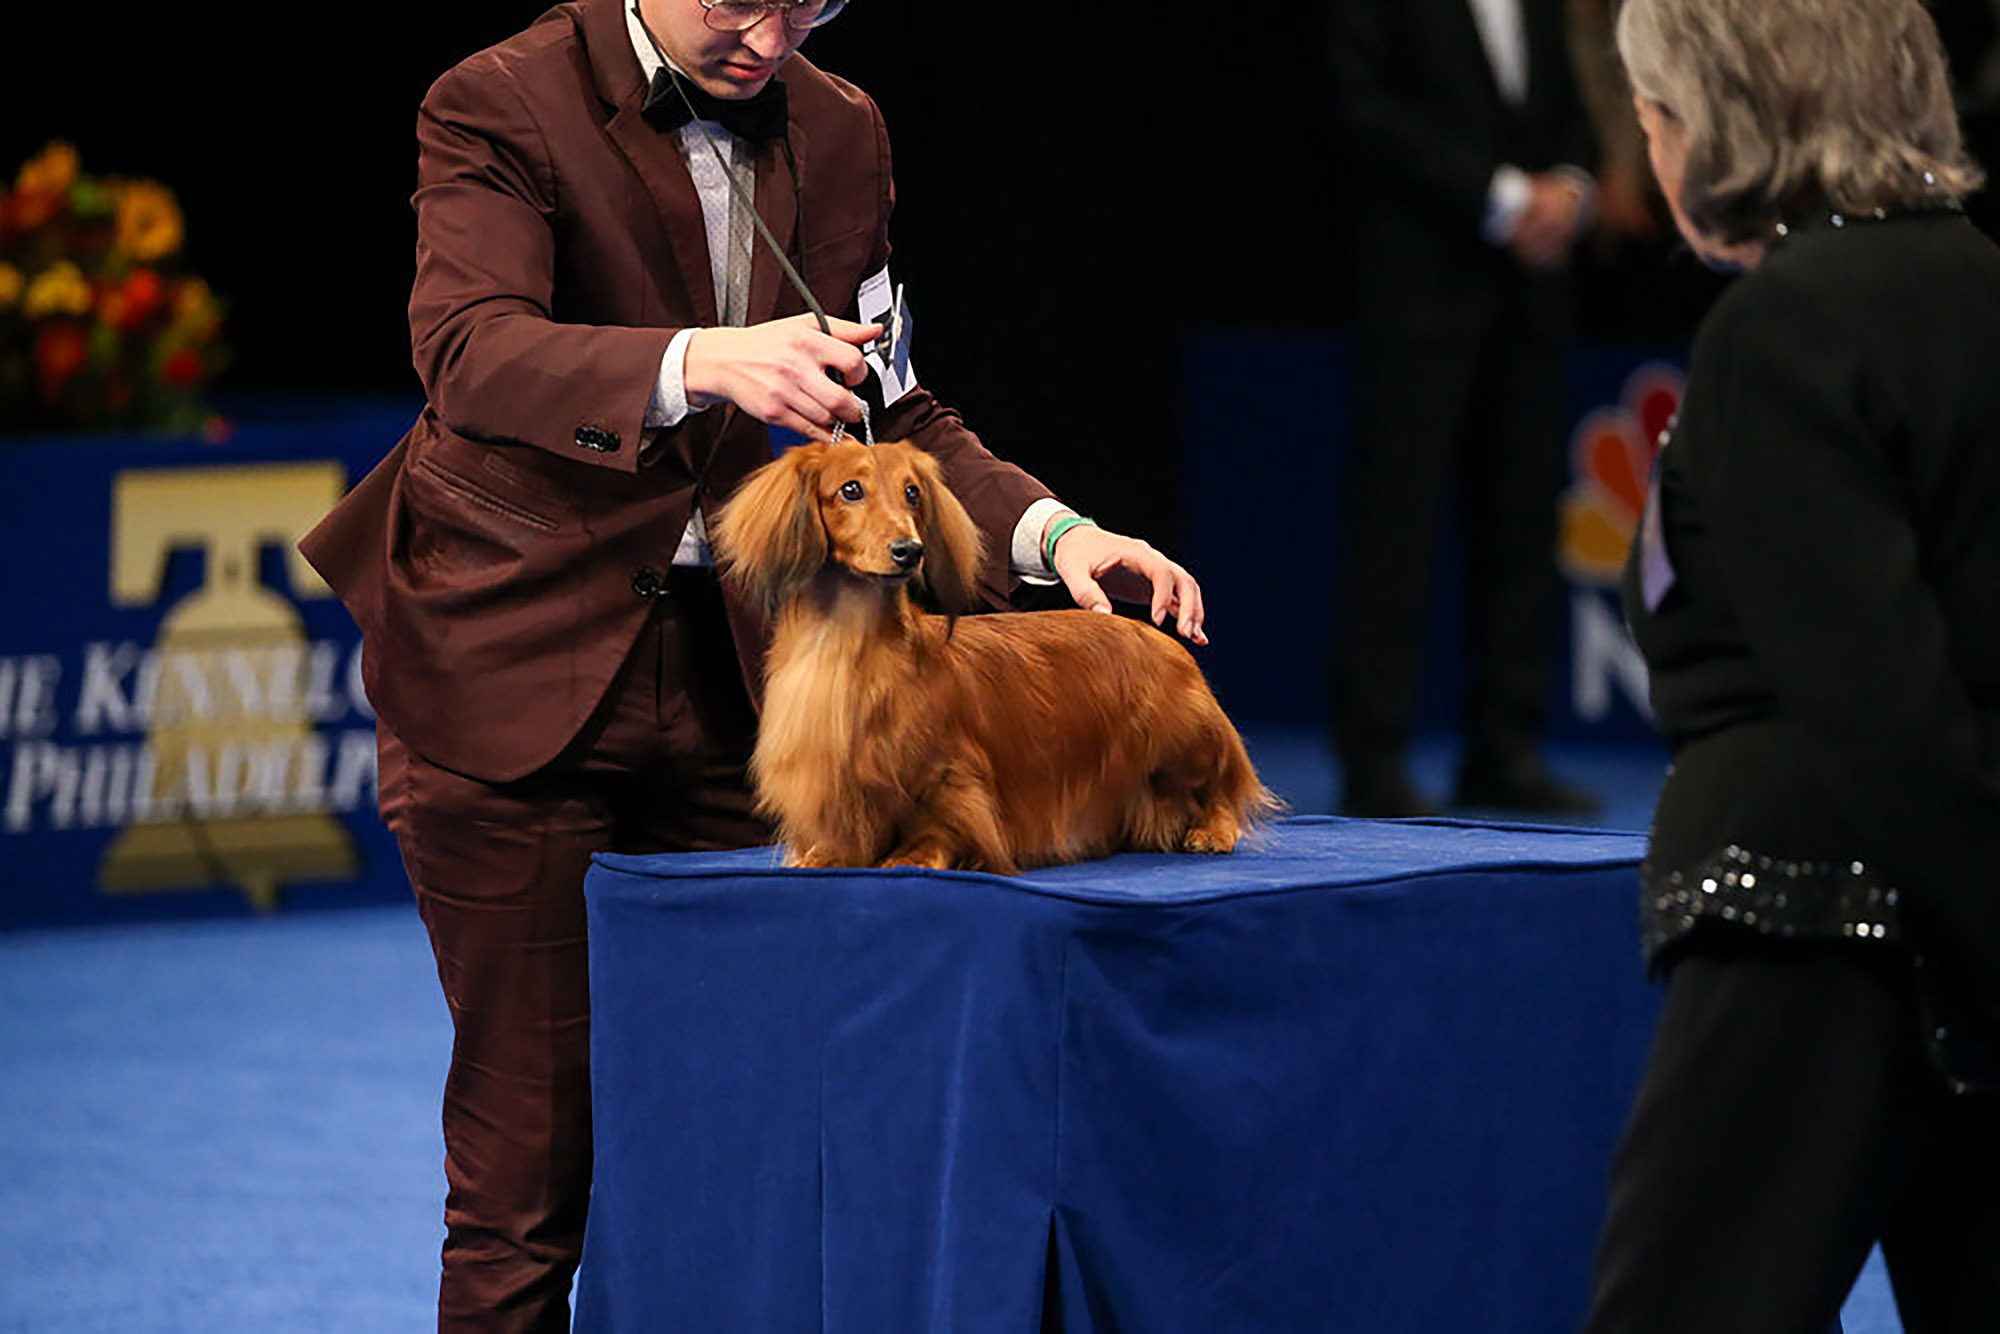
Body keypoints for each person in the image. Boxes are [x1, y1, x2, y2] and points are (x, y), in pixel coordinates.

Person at [297, 0, 1208, 1326]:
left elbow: (891, 402)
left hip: (750, 691)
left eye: (812, 7)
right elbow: (470, 350)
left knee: (762, 1135)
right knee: (532, 1166)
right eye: (742, 0)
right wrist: (704, 362)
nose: (772, 38)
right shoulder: (497, 98)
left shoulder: (844, 131)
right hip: (511, 660)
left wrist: (1052, 530)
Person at [1584, 1, 2000, 1328]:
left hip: (1807, 936)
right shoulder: (1978, 281)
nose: (1650, 152)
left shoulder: (1787, 325)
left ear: (1724, 116)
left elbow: (1883, 708)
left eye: (1653, 117)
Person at [1321, 0, 1603, 818]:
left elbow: (1570, 113)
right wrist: (1508, 199)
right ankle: (1372, 759)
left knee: (1521, 525)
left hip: (1533, 300)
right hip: (1417, 296)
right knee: (1395, 532)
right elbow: (1362, 114)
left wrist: (1575, 189)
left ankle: (1505, 750)